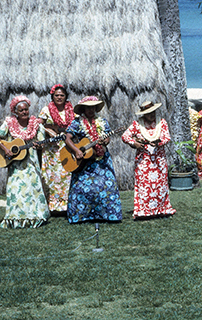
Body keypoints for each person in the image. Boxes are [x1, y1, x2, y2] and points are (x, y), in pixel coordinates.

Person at [62, 96, 121, 224]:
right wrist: (77, 150)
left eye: (93, 107)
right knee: (80, 189)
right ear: (83, 109)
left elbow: (108, 138)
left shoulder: (103, 122)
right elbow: (67, 138)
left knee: (106, 187)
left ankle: (109, 215)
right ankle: (79, 216)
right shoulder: (77, 123)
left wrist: (105, 141)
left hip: (101, 161)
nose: (90, 110)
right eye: (88, 107)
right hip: (83, 162)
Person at [1, 97, 50, 228]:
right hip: (15, 164)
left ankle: (35, 216)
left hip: (31, 162)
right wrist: (6, 150)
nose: (24, 112)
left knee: (32, 188)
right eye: (21, 110)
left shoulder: (36, 124)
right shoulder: (9, 123)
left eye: (26, 109)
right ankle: (15, 218)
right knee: (16, 189)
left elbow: (41, 144)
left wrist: (38, 145)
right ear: (15, 112)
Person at [121, 101, 175, 219]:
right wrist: (134, 143)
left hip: (158, 159)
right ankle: (144, 211)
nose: (151, 115)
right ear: (143, 114)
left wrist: (158, 143)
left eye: (152, 112)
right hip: (143, 160)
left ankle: (161, 209)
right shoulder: (137, 124)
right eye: (148, 113)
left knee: (160, 185)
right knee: (144, 185)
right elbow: (125, 136)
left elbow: (167, 137)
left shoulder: (162, 122)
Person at [38, 84, 72, 214]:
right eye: (56, 95)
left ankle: (66, 205)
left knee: (66, 174)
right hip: (52, 148)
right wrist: (47, 130)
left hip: (66, 146)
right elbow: (38, 124)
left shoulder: (70, 110)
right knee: (53, 176)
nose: (59, 97)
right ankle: (53, 206)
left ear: (65, 97)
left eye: (62, 95)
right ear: (52, 96)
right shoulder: (46, 110)